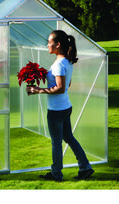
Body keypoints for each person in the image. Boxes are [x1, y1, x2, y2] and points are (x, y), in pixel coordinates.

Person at [26, 30, 94, 181]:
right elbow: (66, 83)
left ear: (58, 45)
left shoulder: (59, 64)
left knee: (56, 143)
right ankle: (85, 167)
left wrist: (38, 90)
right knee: (69, 137)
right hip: (65, 107)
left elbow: (61, 87)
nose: (47, 45)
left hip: (56, 111)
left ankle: (56, 174)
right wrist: (42, 75)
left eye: (49, 42)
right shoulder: (67, 62)